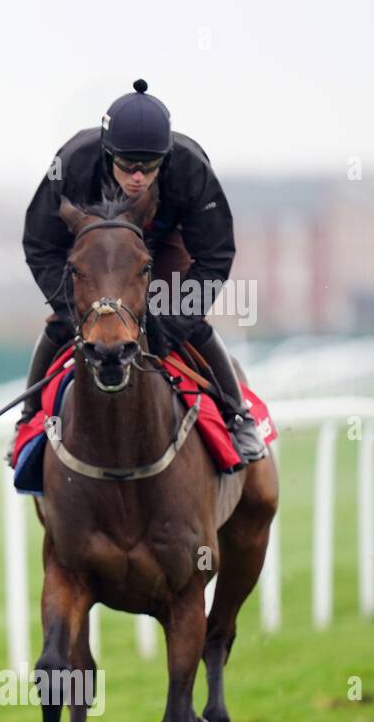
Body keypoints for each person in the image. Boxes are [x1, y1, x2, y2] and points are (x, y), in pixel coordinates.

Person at [19, 79, 267, 462]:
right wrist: (75, 309)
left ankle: (238, 416)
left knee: (193, 328)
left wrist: (176, 318)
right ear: (106, 154)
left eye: (149, 166)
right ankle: (29, 419)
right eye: (127, 165)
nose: (138, 176)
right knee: (57, 325)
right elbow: (40, 243)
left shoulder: (191, 167)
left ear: (165, 158)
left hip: (165, 246)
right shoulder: (70, 163)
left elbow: (215, 255)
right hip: (98, 252)